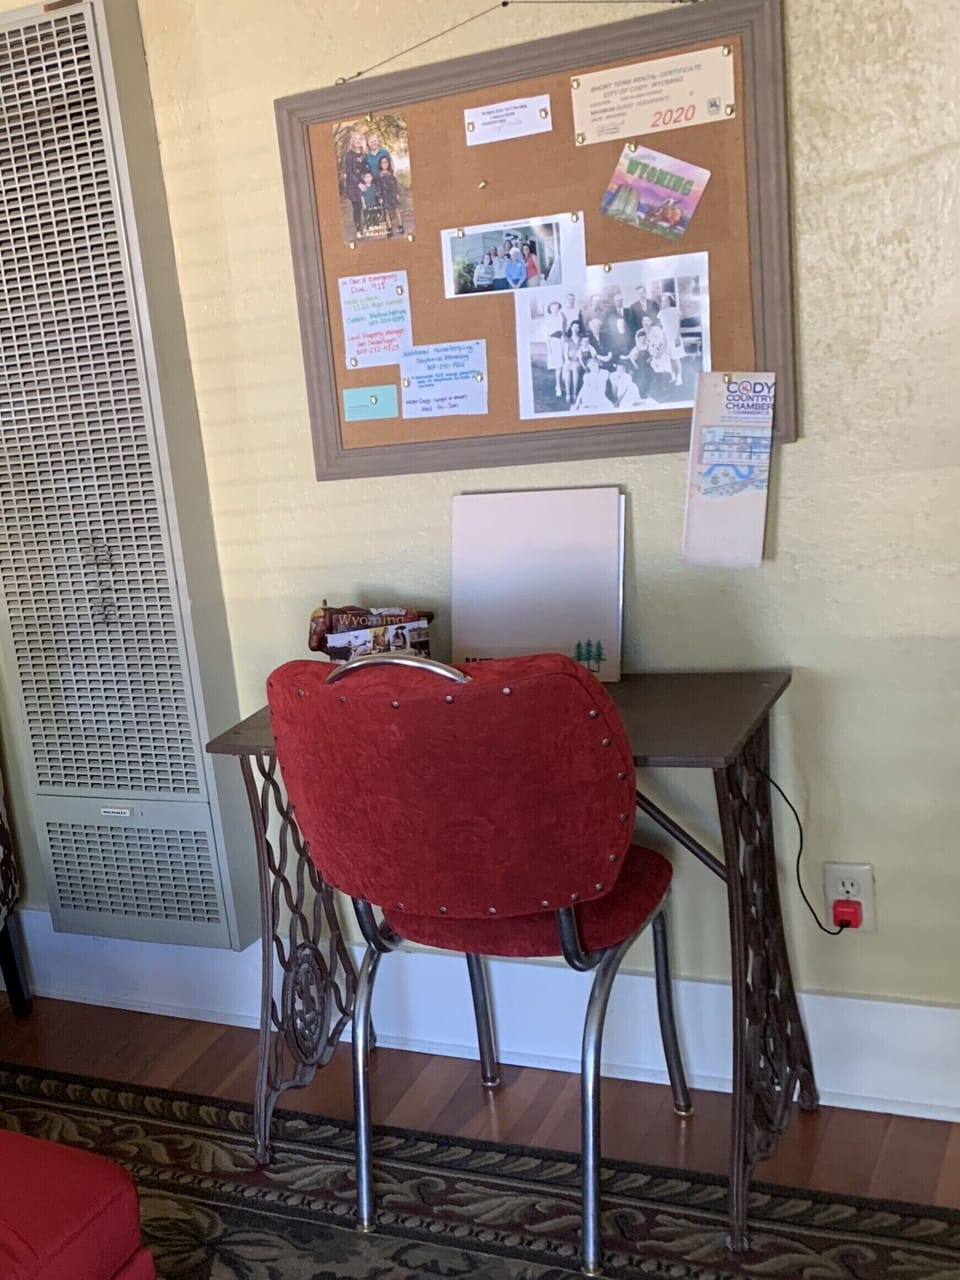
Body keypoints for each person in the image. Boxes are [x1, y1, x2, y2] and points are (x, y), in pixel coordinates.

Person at [342, 131, 368, 239]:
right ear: (353, 141)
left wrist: (367, 180)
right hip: (353, 186)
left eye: (360, 139)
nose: (358, 141)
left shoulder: (364, 155)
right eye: (356, 139)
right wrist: (358, 184)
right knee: (357, 207)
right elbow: (349, 172)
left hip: (363, 183)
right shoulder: (349, 155)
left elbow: (365, 169)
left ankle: (367, 227)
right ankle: (358, 230)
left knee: (365, 205)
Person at [657, 291, 685, 385]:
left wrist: (677, 337)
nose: (664, 302)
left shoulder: (675, 310)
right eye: (662, 301)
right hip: (666, 338)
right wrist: (663, 339)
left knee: (676, 358)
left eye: (666, 300)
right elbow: (663, 327)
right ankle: (673, 376)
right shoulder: (661, 313)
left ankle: (680, 377)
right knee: (670, 358)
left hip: (674, 337)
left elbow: (678, 325)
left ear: (669, 301)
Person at [602, 290, 637, 359]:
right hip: (616, 343)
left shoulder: (629, 311)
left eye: (620, 300)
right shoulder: (610, 314)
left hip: (628, 341)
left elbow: (633, 326)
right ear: (614, 302)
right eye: (617, 300)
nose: (619, 302)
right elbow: (608, 328)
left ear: (622, 301)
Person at [375, 154, 403, 236]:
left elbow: (395, 184)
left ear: (388, 163)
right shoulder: (379, 175)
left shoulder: (391, 173)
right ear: (380, 164)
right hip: (384, 195)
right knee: (386, 212)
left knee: (397, 209)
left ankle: (400, 226)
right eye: (382, 162)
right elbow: (378, 187)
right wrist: (380, 197)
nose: (384, 164)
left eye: (386, 162)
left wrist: (397, 193)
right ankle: (389, 228)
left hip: (392, 194)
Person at [561, 319, 585, 402]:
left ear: (579, 329)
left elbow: (584, 350)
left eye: (577, 327)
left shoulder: (582, 339)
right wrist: (567, 361)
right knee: (567, 371)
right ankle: (568, 393)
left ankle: (574, 393)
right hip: (569, 361)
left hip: (578, 361)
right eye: (574, 327)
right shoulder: (567, 340)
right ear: (571, 328)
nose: (575, 329)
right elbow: (565, 353)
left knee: (575, 369)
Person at [544, 299, 565, 396]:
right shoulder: (548, 320)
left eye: (557, 308)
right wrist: (549, 348)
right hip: (553, 343)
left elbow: (562, 332)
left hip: (561, 341)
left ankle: (561, 383)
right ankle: (558, 386)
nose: (555, 310)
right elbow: (546, 336)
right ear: (550, 309)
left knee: (562, 364)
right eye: (553, 308)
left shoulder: (561, 318)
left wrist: (564, 343)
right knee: (558, 365)